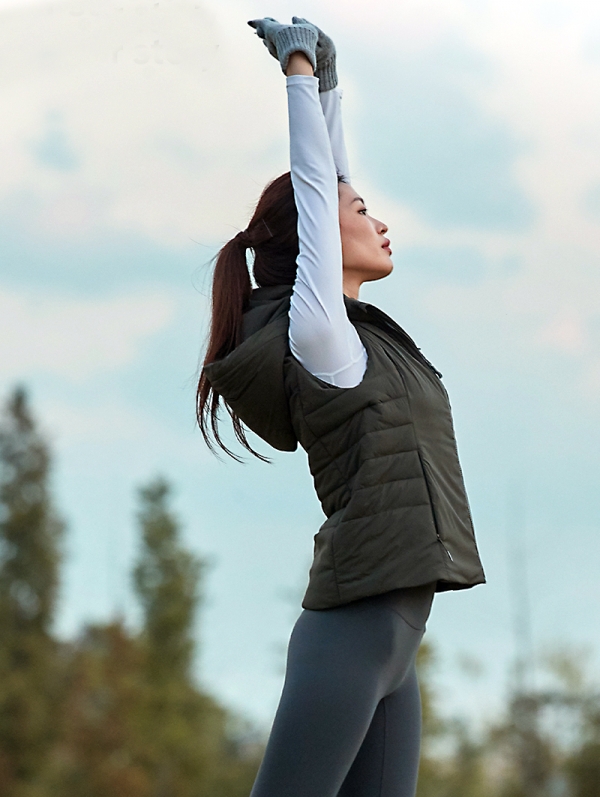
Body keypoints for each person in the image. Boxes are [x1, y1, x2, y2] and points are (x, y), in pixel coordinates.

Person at [197, 16, 485, 797]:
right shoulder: (321, 337)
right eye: (364, 213)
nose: (380, 220)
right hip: (352, 631)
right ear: (321, 234)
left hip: (395, 638)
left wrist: (327, 80)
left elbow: (331, 184)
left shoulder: (361, 334)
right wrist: (295, 75)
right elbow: (320, 186)